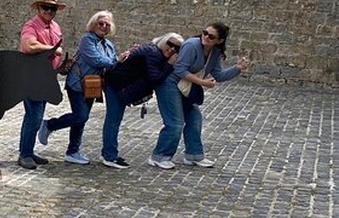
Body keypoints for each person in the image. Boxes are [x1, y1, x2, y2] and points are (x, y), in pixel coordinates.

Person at [148, 22, 250, 169]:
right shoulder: (191, 45)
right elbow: (179, 70)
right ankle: (159, 156)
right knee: (175, 122)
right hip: (169, 83)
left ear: (219, 40)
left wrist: (238, 68)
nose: (206, 37)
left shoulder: (214, 53)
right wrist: (202, 82)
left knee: (195, 119)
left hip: (185, 87)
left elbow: (218, 75)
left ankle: (193, 155)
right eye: (204, 33)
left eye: (211, 36)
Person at [37, 10, 131, 165]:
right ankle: (49, 124)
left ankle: (72, 152)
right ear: (93, 24)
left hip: (91, 86)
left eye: (107, 25)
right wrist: (116, 60)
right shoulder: (87, 40)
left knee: (80, 119)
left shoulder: (108, 45)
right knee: (81, 116)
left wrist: (122, 59)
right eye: (101, 23)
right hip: (77, 83)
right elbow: (96, 60)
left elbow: (111, 62)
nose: (104, 26)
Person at [100, 33, 184, 168]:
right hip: (116, 85)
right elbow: (155, 78)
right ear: (163, 41)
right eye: (170, 44)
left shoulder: (154, 51)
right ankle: (109, 156)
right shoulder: (154, 53)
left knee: (113, 120)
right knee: (113, 121)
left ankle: (108, 153)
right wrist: (169, 64)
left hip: (118, 85)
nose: (172, 49)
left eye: (177, 48)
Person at [17, 0, 66, 170]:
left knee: (34, 116)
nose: (49, 11)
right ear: (38, 8)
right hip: (32, 78)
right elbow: (28, 45)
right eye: (45, 7)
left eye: (53, 8)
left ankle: (27, 151)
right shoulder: (31, 25)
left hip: (46, 79)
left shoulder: (55, 27)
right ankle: (25, 154)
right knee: (34, 117)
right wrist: (52, 49)